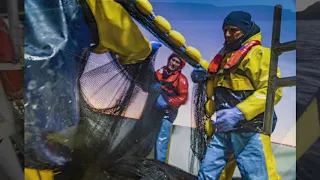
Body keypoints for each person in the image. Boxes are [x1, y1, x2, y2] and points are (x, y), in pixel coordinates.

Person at [191, 11, 282, 179]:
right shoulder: (224, 58)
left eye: (233, 30)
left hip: (250, 129)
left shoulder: (260, 54)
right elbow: (219, 83)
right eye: (225, 30)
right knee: (208, 174)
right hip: (224, 128)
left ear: (245, 30)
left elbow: (272, 90)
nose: (227, 34)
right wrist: (204, 77)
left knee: (258, 176)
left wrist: (239, 112)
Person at [152, 52, 189, 163]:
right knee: (146, 135)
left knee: (162, 140)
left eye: (177, 62)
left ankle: (159, 165)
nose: (173, 63)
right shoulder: (159, 72)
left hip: (168, 113)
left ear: (180, 66)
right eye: (173, 60)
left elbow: (183, 97)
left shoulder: (182, 79)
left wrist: (168, 103)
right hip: (152, 110)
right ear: (169, 59)